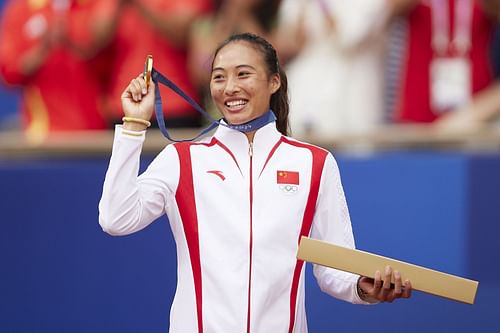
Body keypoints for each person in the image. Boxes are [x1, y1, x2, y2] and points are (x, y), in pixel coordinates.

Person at [98, 32, 411, 332]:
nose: (230, 87)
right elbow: (116, 219)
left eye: (243, 74)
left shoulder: (314, 164)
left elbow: (334, 269)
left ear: (274, 81)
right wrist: (134, 125)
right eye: (219, 77)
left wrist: (362, 288)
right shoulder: (182, 160)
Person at [0, 0, 117, 142]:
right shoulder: (22, 9)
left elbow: (109, 60)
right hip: (44, 135)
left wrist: (70, 42)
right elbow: (9, 73)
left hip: (95, 134)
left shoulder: (95, 6)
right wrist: (43, 49)